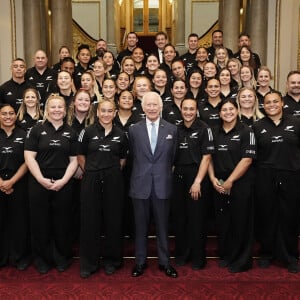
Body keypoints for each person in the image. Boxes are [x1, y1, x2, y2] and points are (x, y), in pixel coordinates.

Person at [24, 94, 78, 274]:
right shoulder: (36, 130)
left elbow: (74, 161)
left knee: (62, 222)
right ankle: (42, 260)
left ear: (65, 110)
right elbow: (29, 157)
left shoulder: (71, 132)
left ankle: (62, 258)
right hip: (39, 183)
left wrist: (63, 181)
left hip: (64, 183)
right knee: (40, 222)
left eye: (60, 107)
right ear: (47, 109)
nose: (56, 110)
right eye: (53, 107)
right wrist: (40, 179)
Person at [129, 91, 178, 278]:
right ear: (142, 108)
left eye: (154, 105)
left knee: (163, 227)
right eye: (147, 105)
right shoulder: (134, 130)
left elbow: (173, 157)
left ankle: (165, 263)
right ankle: (140, 262)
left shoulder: (172, 130)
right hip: (139, 185)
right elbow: (133, 156)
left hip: (162, 185)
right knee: (140, 227)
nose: (151, 108)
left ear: (161, 107)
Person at [78, 99, 128, 278]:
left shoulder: (121, 134)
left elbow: (123, 159)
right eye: (103, 111)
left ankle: (112, 261)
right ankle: (89, 263)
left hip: (113, 180)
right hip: (91, 178)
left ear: (115, 113)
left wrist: (110, 173)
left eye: (110, 111)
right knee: (90, 221)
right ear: (97, 113)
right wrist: (91, 172)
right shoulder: (87, 132)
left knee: (113, 221)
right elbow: (81, 156)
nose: (106, 114)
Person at [252, 91, 300, 273]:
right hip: (265, 177)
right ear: (263, 105)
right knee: (267, 216)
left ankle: (291, 256)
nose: (272, 105)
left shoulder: (296, 123)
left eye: (275, 102)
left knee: (290, 217)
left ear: (282, 103)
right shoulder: (257, 126)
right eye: (268, 102)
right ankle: (266, 253)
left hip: (292, 177)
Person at [208, 98, 256, 273]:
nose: (227, 112)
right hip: (219, 185)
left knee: (240, 222)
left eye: (231, 109)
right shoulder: (213, 131)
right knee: (224, 222)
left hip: (240, 184)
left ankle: (241, 260)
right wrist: (212, 178)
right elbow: (209, 157)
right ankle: (227, 255)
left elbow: (247, 160)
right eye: (224, 110)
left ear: (237, 111)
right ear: (219, 113)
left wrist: (230, 181)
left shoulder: (246, 131)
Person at [172, 98, 214, 270]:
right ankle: (182, 254)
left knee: (197, 219)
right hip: (178, 177)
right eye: (185, 109)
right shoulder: (175, 129)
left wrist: (197, 181)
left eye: (191, 109)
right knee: (179, 218)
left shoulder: (205, 129)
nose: (188, 112)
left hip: (197, 176)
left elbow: (207, 157)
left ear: (196, 111)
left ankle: (198, 258)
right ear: (180, 110)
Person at [0, 104, 30, 271]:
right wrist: (2, 183)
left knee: (19, 222)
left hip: (18, 183)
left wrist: (11, 182)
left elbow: (28, 161)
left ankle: (19, 257)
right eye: (4, 114)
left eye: (11, 113)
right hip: (0, 183)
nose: (8, 116)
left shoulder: (24, 134)